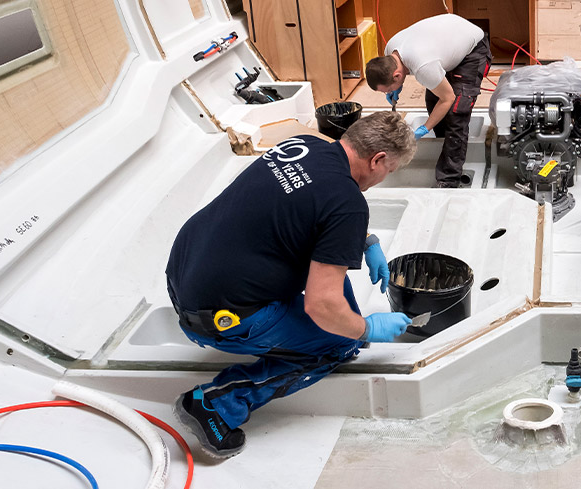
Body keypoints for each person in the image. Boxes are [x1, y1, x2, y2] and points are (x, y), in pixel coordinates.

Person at [166, 111, 417, 459]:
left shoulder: (306, 145)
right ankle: (216, 403)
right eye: (388, 171)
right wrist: (364, 329)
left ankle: (328, 330)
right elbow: (320, 305)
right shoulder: (348, 205)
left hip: (183, 276)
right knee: (339, 343)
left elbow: (305, 207)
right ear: (377, 159)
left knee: (330, 280)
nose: (381, 180)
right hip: (219, 317)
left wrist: (366, 240)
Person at [364, 13, 491, 188]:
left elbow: (448, 99)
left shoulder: (423, 66)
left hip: (472, 48)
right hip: (447, 38)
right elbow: (436, 96)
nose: (389, 93)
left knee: (456, 113)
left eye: (389, 89)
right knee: (433, 103)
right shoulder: (390, 51)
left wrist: (425, 128)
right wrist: (396, 88)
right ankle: (443, 148)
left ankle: (449, 180)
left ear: (396, 75)